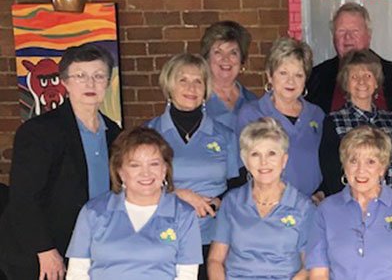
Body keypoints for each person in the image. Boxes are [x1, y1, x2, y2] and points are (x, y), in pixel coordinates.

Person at [0, 43, 121, 280]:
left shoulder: (114, 133)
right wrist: (44, 250)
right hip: (46, 251)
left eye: (98, 76)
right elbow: (23, 198)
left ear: (107, 82)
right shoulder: (40, 131)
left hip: (94, 246)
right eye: (80, 76)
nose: (90, 83)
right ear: (65, 81)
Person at [147, 53, 240, 279]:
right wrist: (180, 194)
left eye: (198, 80)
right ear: (169, 86)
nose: (192, 87)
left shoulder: (224, 135)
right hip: (164, 238)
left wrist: (218, 202)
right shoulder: (150, 134)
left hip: (216, 240)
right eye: (183, 80)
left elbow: (238, 183)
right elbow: (135, 187)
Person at [65, 127, 203, 279]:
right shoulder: (93, 212)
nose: (146, 173)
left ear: (165, 169)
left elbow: (187, 275)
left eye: (154, 164)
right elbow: (77, 273)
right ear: (120, 172)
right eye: (135, 165)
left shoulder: (184, 214)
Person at [306, 126, 392, 280]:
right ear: (344, 165)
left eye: (370, 162)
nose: (361, 170)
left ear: (382, 168)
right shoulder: (325, 210)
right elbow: (319, 274)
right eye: (353, 161)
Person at [208, 118, 315, 280]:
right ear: (246, 161)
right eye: (255, 154)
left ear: (284, 160)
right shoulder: (232, 201)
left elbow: (308, 267)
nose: (264, 162)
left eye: (271, 153)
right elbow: (215, 260)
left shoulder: (304, 207)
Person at [306, 2, 392, 131]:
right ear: (333, 36)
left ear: (369, 35)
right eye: (341, 31)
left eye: (355, 31)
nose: (348, 37)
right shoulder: (317, 78)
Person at [319, 49, 392, 197]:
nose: (361, 81)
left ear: (376, 82)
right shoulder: (334, 121)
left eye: (368, 76)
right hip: (352, 209)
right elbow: (332, 175)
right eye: (354, 77)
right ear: (346, 84)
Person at [238, 37, 325, 198]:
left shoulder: (317, 115)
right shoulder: (252, 114)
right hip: (268, 205)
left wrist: (321, 193)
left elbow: (326, 162)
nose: (290, 81)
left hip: (311, 206)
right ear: (270, 76)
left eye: (298, 75)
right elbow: (243, 168)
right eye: (283, 73)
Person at [200, 21, 258, 132]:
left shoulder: (252, 100)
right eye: (218, 52)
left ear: (241, 60)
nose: (225, 59)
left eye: (233, 53)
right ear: (207, 58)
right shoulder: (196, 98)